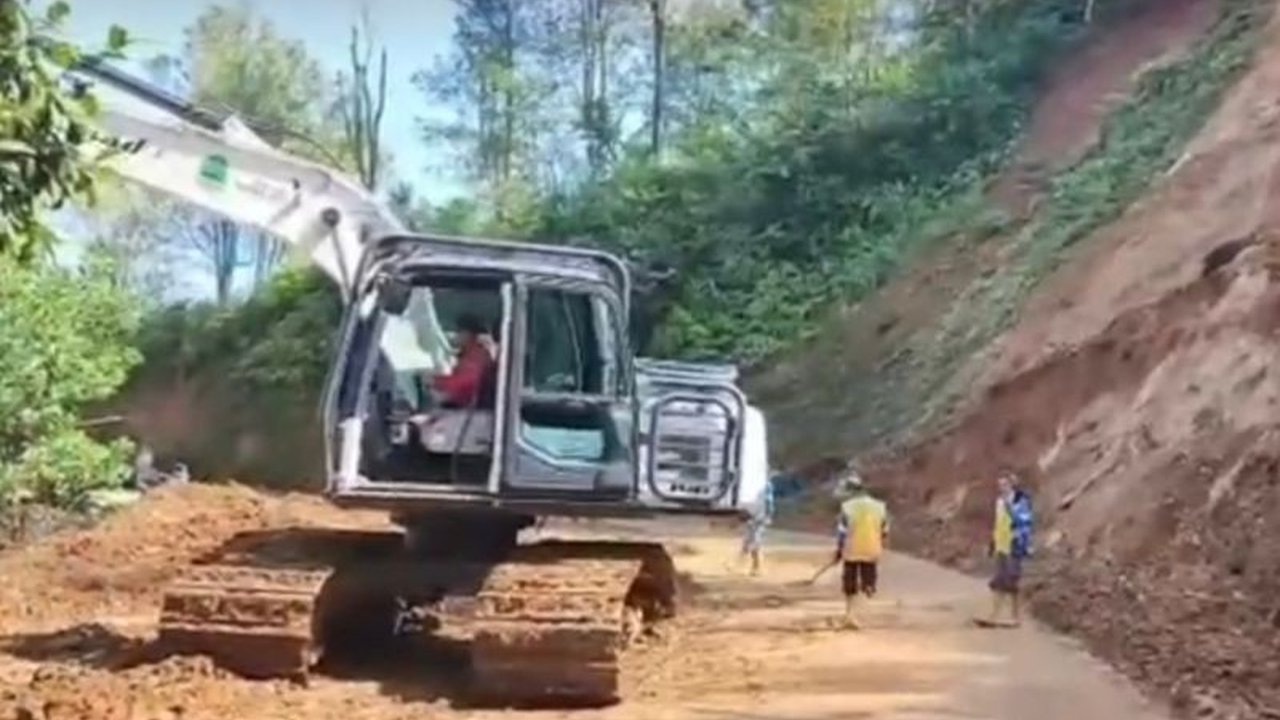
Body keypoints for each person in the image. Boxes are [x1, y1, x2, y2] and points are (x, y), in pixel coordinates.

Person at [977, 469, 1034, 628]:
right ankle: (993, 616)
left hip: (1014, 546)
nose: (1001, 488)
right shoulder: (999, 502)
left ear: (1012, 485)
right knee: (998, 582)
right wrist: (993, 542)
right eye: (1000, 485)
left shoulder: (1020, 501)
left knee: (1012, 583)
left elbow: (1024, 521)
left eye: (1004, 485)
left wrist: (1010, 507)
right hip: (1001, 545)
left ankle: (1016, 617)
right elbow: (998, 523)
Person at [833, 471, 889, 629]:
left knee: (849, 585)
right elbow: (885, 531)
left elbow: (842, 532)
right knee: (868, 583)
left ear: (851, 491)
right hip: (871, 549)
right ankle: (867, 591)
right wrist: (881, 548)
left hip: (851, 550)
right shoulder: (879, 507)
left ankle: (851, 616)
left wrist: (838, 551)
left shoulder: (847, 507)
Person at [430, 313, 496, 407]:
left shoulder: (477, 355)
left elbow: (466, 383)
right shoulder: (466, 354)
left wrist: (436, 381)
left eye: (457, 331)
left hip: (471, 409)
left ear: (468, 334)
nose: (454, 336)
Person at [740, 472, 777, 576]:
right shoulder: (754, 486)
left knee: (754, 542)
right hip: (753, 516)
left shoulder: (766, 486)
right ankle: (741, 564)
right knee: (748, 541)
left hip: (759, 517)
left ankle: (756, 567)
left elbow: (769, 502)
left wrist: (767, 516)